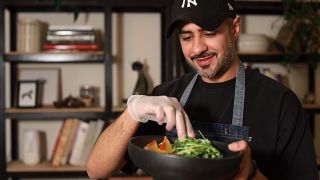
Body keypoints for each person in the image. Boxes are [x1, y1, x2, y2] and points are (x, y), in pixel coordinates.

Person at [86, 0, 319, 179]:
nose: (198, 48)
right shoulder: (165, 96)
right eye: (187, 37)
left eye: (209, 33)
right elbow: (96, 170)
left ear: (235, 28)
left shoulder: (280, 103)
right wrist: (133, 111)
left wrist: (249, 174)